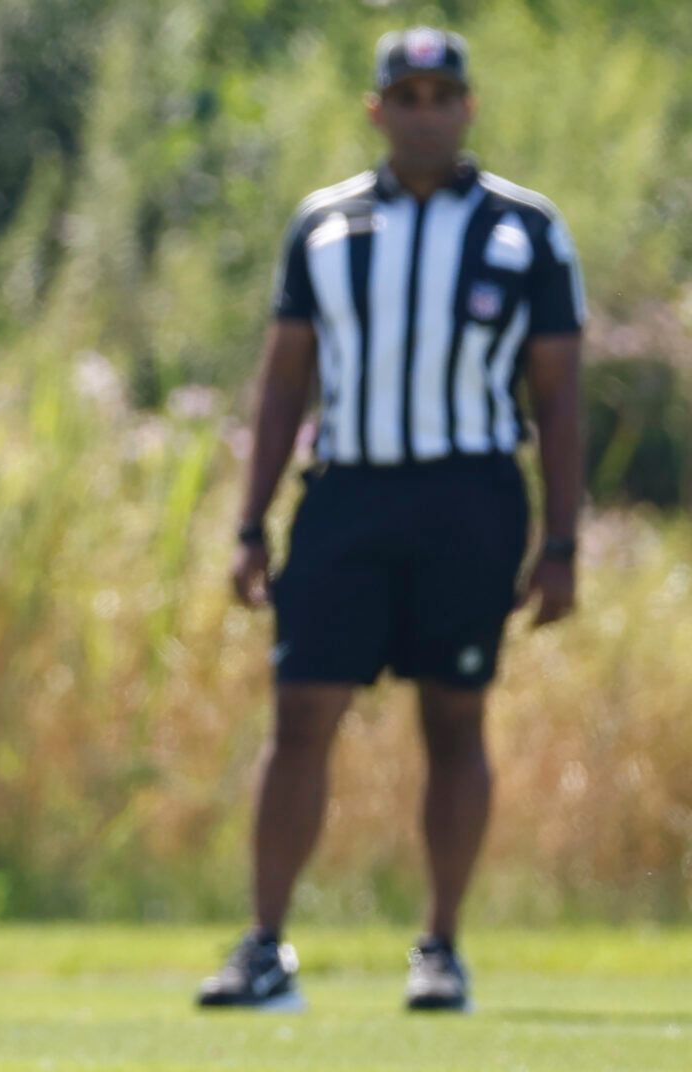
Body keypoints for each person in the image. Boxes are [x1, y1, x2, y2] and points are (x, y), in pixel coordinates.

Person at [199, 28, 584, 1013]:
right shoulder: (326, 224)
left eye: (440, 94)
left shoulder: (526, 228)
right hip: (349, 493)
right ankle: (266, 943)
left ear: (468, 107)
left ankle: (441, 945)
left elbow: (560, 392)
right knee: (301, 714)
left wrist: (561, 541)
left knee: (454, 716)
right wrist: (252, 522)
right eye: (404, 96)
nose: (424, 111)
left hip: (471, 494)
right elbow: (285, 378)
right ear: (377, 111)